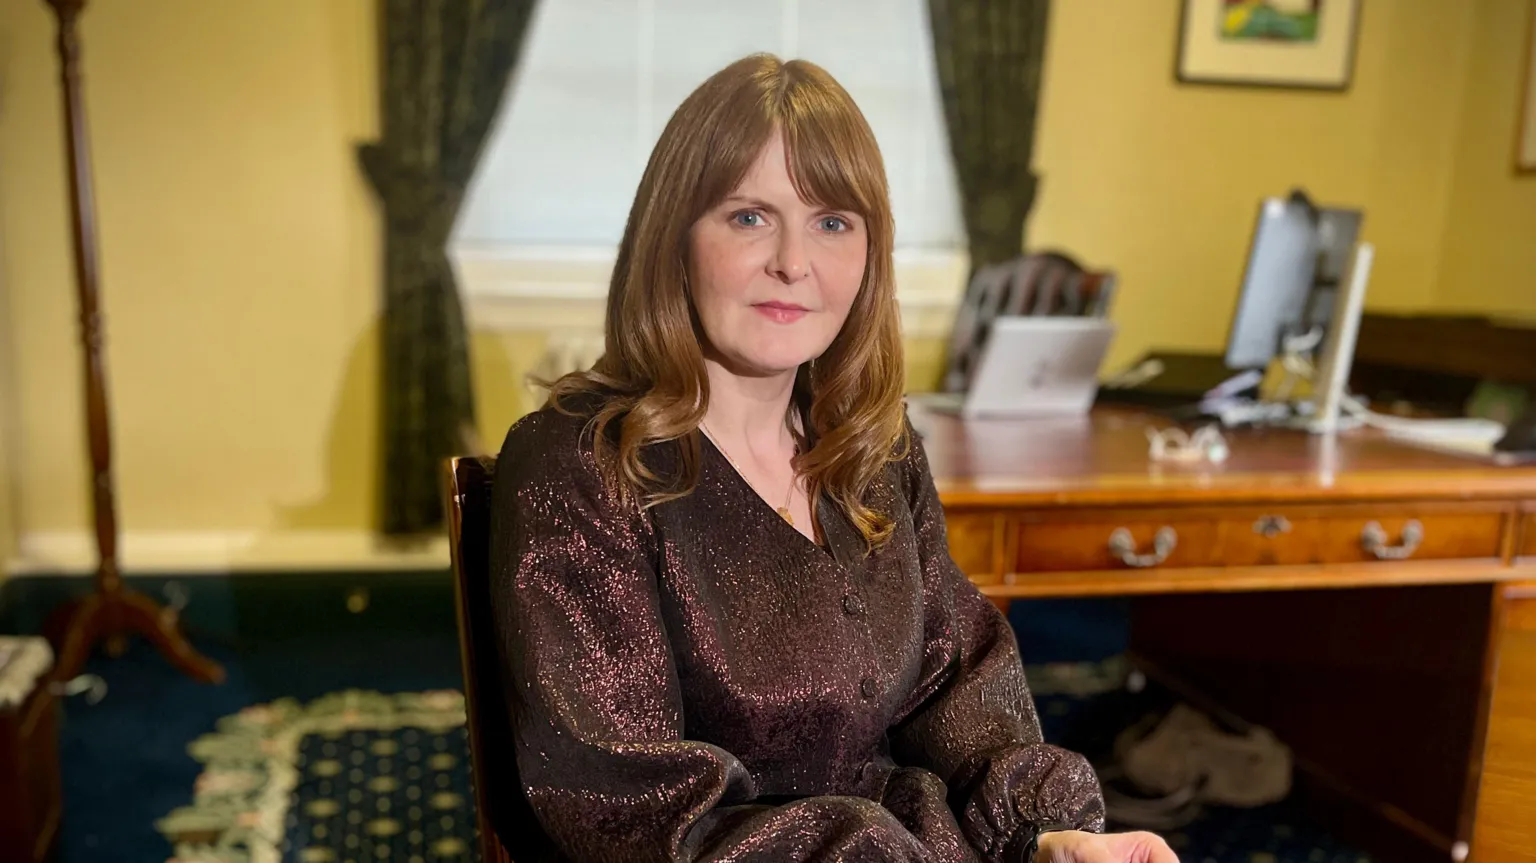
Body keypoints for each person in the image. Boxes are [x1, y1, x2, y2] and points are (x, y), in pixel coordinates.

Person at [489, 53, 1178, 863]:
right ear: (673, 234)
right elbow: (631, 812)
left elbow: (957, 680)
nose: (794, 260)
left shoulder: (873, 448)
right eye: (748, 215)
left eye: (833, 222)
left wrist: (1049, 832)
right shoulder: (580, 465)